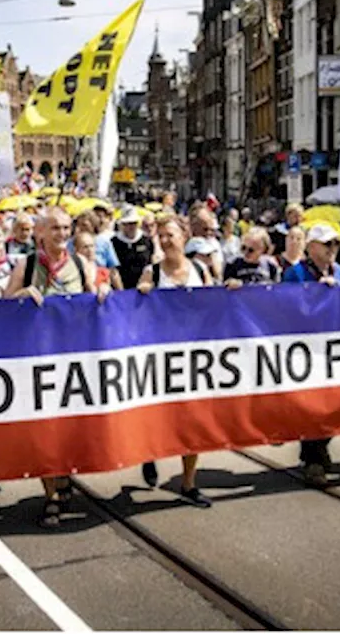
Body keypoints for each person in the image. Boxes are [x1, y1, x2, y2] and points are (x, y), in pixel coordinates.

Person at [6, 208, 106, 527]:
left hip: (73, 360)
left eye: (66, 228)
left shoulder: (81, 264)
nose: (62, 234)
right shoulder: (28, 264)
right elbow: (4, 305)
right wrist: (22, 294)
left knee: (71, 426)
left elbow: (97, 301)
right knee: (44, 428)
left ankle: (63, 473)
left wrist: (104, 294)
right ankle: (50, 494)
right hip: (37, 359)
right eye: (55, 228)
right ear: (41, 233)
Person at [136, 214, 212, 508]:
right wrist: (141, 295)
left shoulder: (200, 270)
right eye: (162, 236)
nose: (166, 241)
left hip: (193, 358)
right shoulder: (151, 272)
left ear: (184, 236)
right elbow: (136, 313)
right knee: (157, 415)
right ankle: (149, 454)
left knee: (192, 421)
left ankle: (189, 482)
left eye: (171, 235)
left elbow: (215, 304)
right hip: (159, 357)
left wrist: (230, 290)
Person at [271, 224, 340, 485]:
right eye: (327, 245)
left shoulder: (339, 272)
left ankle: (316, 447)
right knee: (314, 404)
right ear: (312, 247)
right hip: (305, 348)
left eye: (335, 245)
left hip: (333, 347)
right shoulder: (295, 273)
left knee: (338, 404)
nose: (332, 250)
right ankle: (313, 459)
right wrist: (315, 295)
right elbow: (284, 306)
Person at [112, 207, 154, 291]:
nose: (131, 226)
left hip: (142, 288)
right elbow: (113, 270)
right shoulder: (113, 242)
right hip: (120, 289)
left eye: (134, 223)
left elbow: (150, 265)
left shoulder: (146, 240)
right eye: (127, 223)